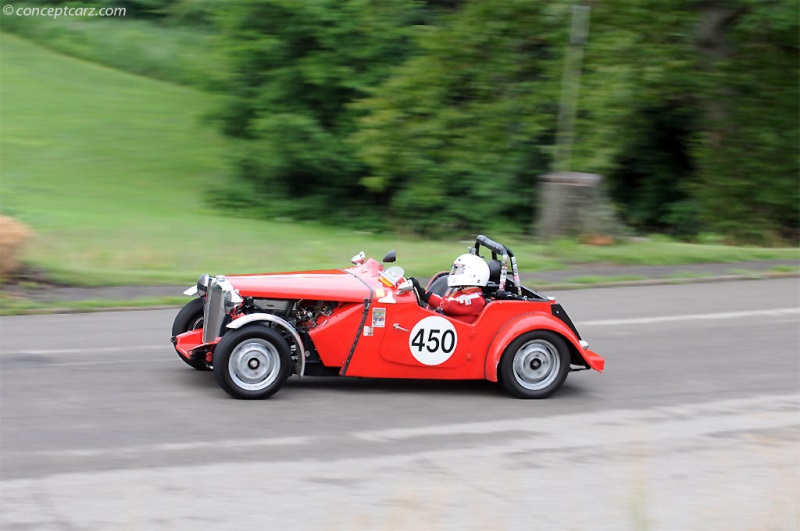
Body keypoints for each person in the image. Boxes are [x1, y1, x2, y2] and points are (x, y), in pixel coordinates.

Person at [410, 254, 490, 323]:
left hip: (460, 334)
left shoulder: (476, 299)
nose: (456, 273)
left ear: (471, 274)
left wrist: (423, 294)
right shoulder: (461, 292)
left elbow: (447, 305)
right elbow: (442, 303)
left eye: (459, 270)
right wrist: (423, 294)